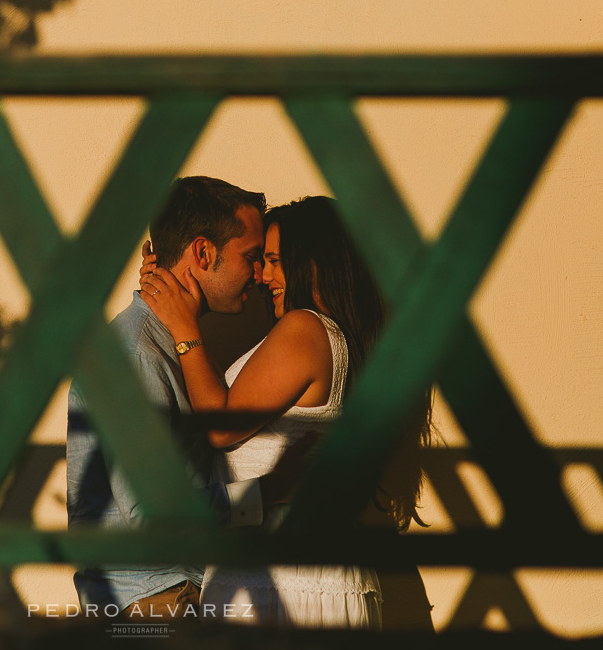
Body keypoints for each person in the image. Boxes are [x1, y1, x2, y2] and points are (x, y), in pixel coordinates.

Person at [139, 195, 432, 628]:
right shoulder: (332, 336)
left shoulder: (306, 329)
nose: (262, 276)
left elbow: (221, 427)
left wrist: (184, 328)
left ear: (312, 263)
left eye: (274, 260)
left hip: (285, 581)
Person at [67, 175, 281, 618]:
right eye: (252, 257)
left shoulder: (165, 346)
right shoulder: (139, 354)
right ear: (203, 253)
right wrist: (265, 495)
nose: (260, 275)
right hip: (156, 601)